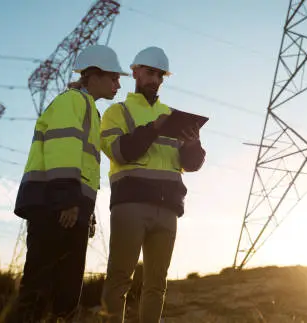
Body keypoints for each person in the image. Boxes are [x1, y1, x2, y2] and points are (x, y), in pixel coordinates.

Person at [7, 44, 129, 322]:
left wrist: (86, 214)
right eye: (113, 77)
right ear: (94, 75)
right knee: (41, 287)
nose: (118, 84)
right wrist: (68, 201)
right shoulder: (72, 102)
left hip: (70, 209)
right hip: (55, 207)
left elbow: (82, 166)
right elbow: (62, 151)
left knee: (66, 289)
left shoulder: (87, 109)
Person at [99, 46, 206, 322]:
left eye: (160, 75)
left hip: (168, 209)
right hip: (131, 205)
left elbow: (192, 165)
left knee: (157, 284)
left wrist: (193, 145)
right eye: (150, 73)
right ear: (135, 72)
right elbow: (122, 152)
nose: (155, 80)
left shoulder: (173, 115)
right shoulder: (117, 113)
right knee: (120, 278)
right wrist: (154, 128)